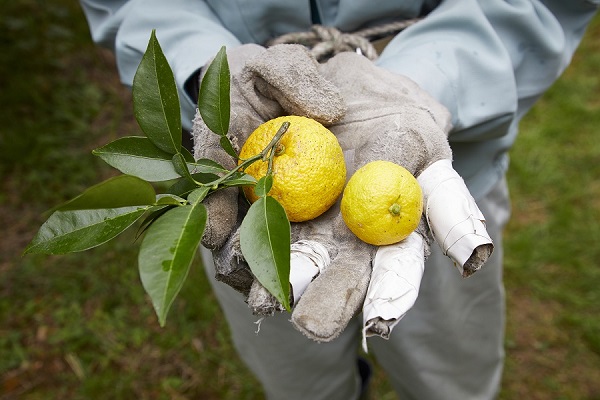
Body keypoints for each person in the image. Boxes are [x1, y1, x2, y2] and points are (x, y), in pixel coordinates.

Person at [78, 1, 598, 399]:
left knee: (451, 375)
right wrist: (208, 73)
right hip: (249, 195)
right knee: (301, 380)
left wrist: (410, 84)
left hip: (434, 172)